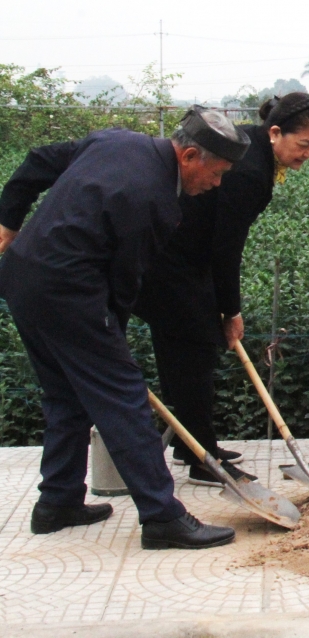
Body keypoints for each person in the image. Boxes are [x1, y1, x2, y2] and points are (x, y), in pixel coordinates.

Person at [0, 109, 248, 548]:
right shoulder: (153, 200)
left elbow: (38, 160)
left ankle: (56, 503)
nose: (217, 184)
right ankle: (162, 516)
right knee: (124, 399)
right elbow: (126, 282)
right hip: (68, 291)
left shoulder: (115, 141)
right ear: (190, 156)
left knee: (64, 394)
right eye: (217, 172)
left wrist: (8, 221)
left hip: (23, 278)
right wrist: (109, 340)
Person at [133, 93, 309, 486]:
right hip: (169, 263)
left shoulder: (253, 148)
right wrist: (230, 311)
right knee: (196, 348)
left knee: (188, 351)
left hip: (181, 258)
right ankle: (203, 458)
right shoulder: (249, 171)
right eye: (303, 144)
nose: (308, 154)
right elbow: (226, 246)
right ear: (276, 132)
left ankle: (194, 445)